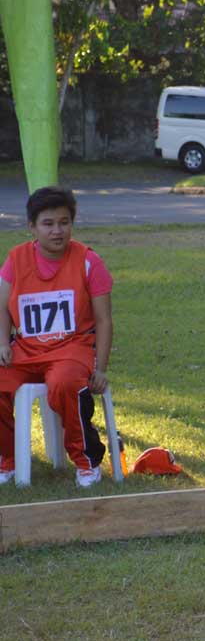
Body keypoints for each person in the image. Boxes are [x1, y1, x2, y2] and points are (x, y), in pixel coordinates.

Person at [0, 186, 114, 487]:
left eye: (64, 222)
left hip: (71, 349)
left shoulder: (89, 262)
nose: (57, 231)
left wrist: (100, 367)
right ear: (32, 227)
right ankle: (7, 458)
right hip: (25, 349)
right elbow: (1, 307)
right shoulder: (15, 260)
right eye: (48, 224)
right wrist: (2, 343)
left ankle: (86, 461)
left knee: (65, 384)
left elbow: (103, 320)